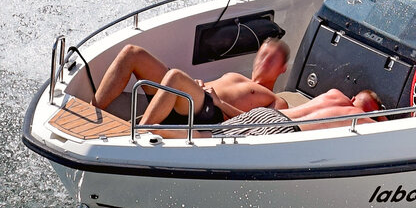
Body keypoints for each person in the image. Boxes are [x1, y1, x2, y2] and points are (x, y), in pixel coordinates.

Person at [91, 38, 291, 127]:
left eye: (271, 59)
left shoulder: (277, 100)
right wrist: (194, 85)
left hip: (210, 114)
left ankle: (139, 134)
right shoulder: (238, 77)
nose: (263, 62)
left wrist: (221, 104)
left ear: (283, 69)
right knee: (132, 53)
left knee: (176, 77)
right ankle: (93, 112)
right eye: (262, 55)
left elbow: (263, 126)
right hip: (190, 99)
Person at [152, 89, 383, 138]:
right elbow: (383, 128)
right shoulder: (364, 120)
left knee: (211, 134)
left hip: (268, 115)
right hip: (283, 130)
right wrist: (382, 118)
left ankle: (154, 129)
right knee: (213, 141)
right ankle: (155, 132)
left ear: (353, 97)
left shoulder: (334, 94)